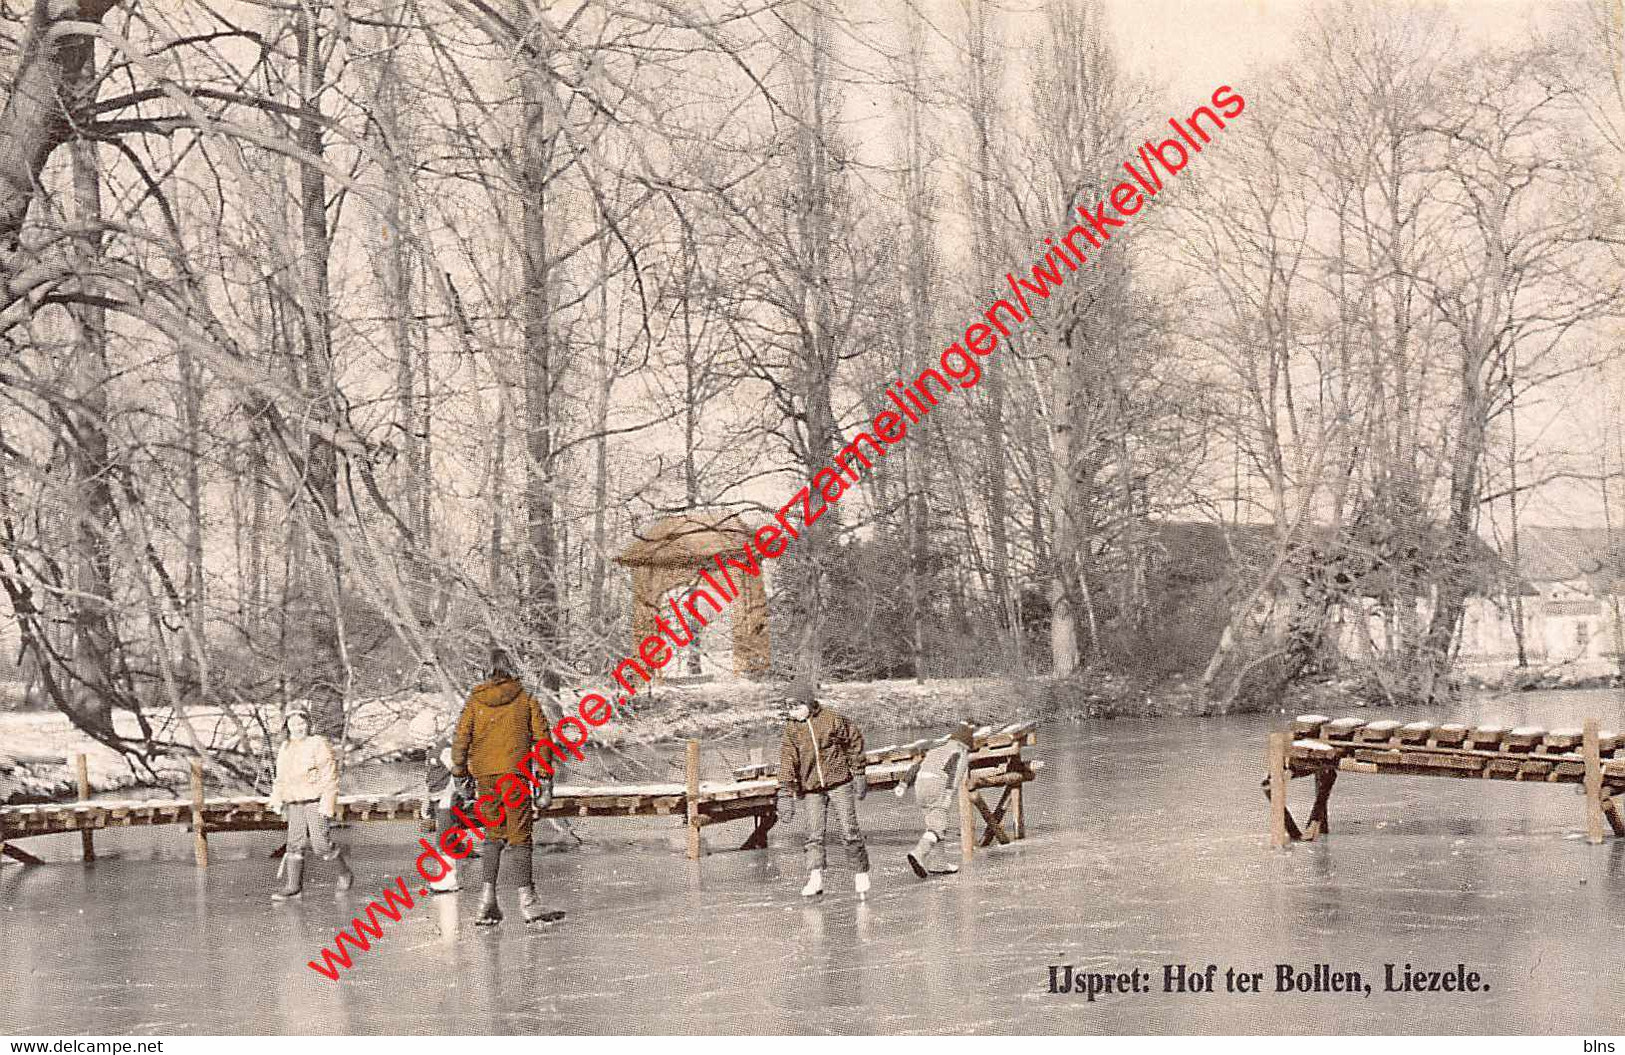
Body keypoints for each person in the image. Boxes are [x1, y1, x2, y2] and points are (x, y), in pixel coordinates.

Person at [451, 648, 562, 926]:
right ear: (512, 668)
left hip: (486, 777)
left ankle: (486, 900)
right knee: (519, 836)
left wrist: (460, 773)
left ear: (487, 671)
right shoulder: (525, 698)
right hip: (515, 774)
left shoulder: (475, 701)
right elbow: (543, 739)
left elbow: (461, 738)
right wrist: (544, 777)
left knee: (493, 834)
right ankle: (528, 902)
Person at [774, 682, 871, 899]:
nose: (792, 712)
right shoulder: (792, 729)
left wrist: (859, 772)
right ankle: (815, 877)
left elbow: (853, 740)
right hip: (811, 788)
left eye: (796, 707)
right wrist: (785, 792)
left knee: (849, 829)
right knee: (814, 834)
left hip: (839, 782)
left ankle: (860, 872)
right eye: (789, 708)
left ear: (809, 703)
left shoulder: (831, 719)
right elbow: (788, 761)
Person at [268, 704, 354, 900]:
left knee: (320, 844)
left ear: (308, 724)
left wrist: (327, 803)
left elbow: (329, 776)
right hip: (294, 801)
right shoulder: (285, 747)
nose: (298, 728)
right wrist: (277, 798)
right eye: (293, 724)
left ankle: (344, 873)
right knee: (294, 843)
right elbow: (280, 777)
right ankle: (293, 887)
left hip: (315, 800)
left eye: (301, 723)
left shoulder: (318, 744)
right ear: (287, 726)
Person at [895, 720, 978, 879]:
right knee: (938, 826)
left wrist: (903, 784)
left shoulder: (937, 748)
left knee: (933, 824)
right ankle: (918, 853)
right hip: (937, 786)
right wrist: (948, 796)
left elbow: (916, 766)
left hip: (920, 785)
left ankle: (939, 863)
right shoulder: (960, 753)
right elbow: (954, 775)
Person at [418, 734, 462, 893]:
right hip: (438, 798)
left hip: (447, 798)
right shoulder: (432, 751)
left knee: (444, 838)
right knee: (446, 836)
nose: (417, 742)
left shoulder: (444, 749)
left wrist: (453, 793)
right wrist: (427, 802)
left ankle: (448, 880)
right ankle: (448, 876)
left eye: (418, 736)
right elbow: (430, 780)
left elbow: (458, 772)